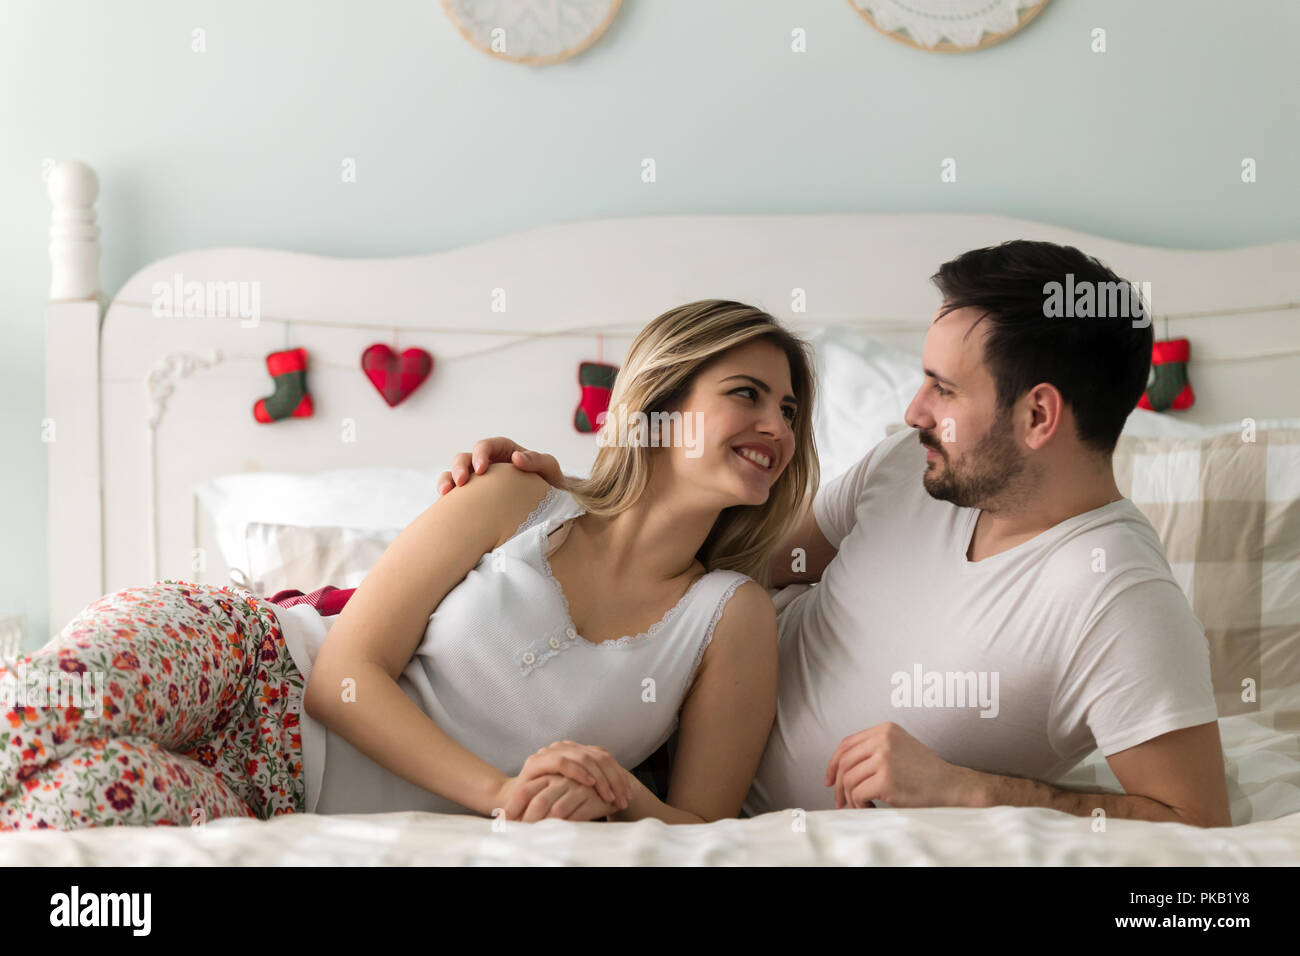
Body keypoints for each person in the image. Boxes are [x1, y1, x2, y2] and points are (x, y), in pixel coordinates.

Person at [441, 240, 1233, 828]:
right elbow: (732, 557)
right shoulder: (909, 468)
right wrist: (575, 495)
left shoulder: (1118, 597)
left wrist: (970, 790)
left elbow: (1196, 824)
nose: (912, 409)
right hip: (622, 714)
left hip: (691, 815)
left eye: (943, 388)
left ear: (1038, 417)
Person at [0, 300, 818, 829]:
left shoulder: (728, 615)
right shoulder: (515, 497)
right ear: (661, 405)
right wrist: (502, 797)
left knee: (54, 814)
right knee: (41, 712)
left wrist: (618, 797)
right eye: (746, 394)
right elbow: (341, 676)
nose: (775, 426)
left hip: (279, 800)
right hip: (251, 660)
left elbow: (705, 831)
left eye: (788, 410)